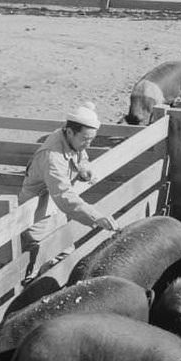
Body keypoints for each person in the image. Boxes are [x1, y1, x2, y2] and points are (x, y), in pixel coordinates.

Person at [18, 102, 118, 281]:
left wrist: (83, 167)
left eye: (91, 140)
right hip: (38, 218)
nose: (88, 144)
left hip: (56, 213)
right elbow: (64, 195)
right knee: (37, 267)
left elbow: (81, 155)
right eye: (85, 139)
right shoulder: (52, 158)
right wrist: (96, 216)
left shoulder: (69, 139)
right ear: (70, 132)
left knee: (66, 257)